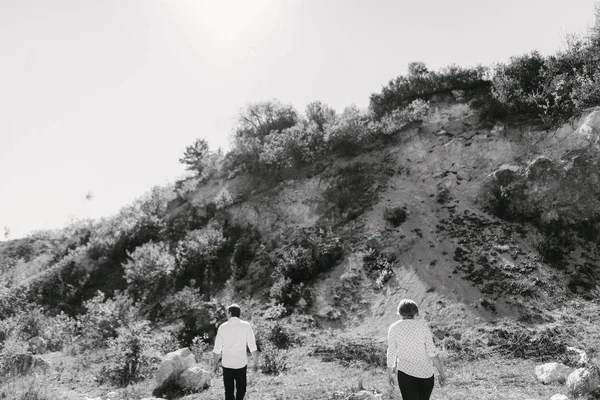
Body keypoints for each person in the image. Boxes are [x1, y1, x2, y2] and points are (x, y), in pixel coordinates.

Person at [387, 299, 447, 400]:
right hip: (426, 374)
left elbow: (391, 353)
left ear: (400, 311)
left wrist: (389, 374)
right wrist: (441, 373)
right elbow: (432, 352)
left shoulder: (394, 328)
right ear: (415, 312)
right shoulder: (423, 327)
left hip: (406, 373)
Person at [213, 303, 259, 400]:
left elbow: (217, 348)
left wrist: (215, 364)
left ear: (229, 313)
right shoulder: (246, 326)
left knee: (228, 391)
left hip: (227, 364)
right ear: (238, 313)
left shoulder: (222, 327)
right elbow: (252, 346)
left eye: (227, 312)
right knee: (241, 389)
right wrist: (255, 362)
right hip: (241, 364)